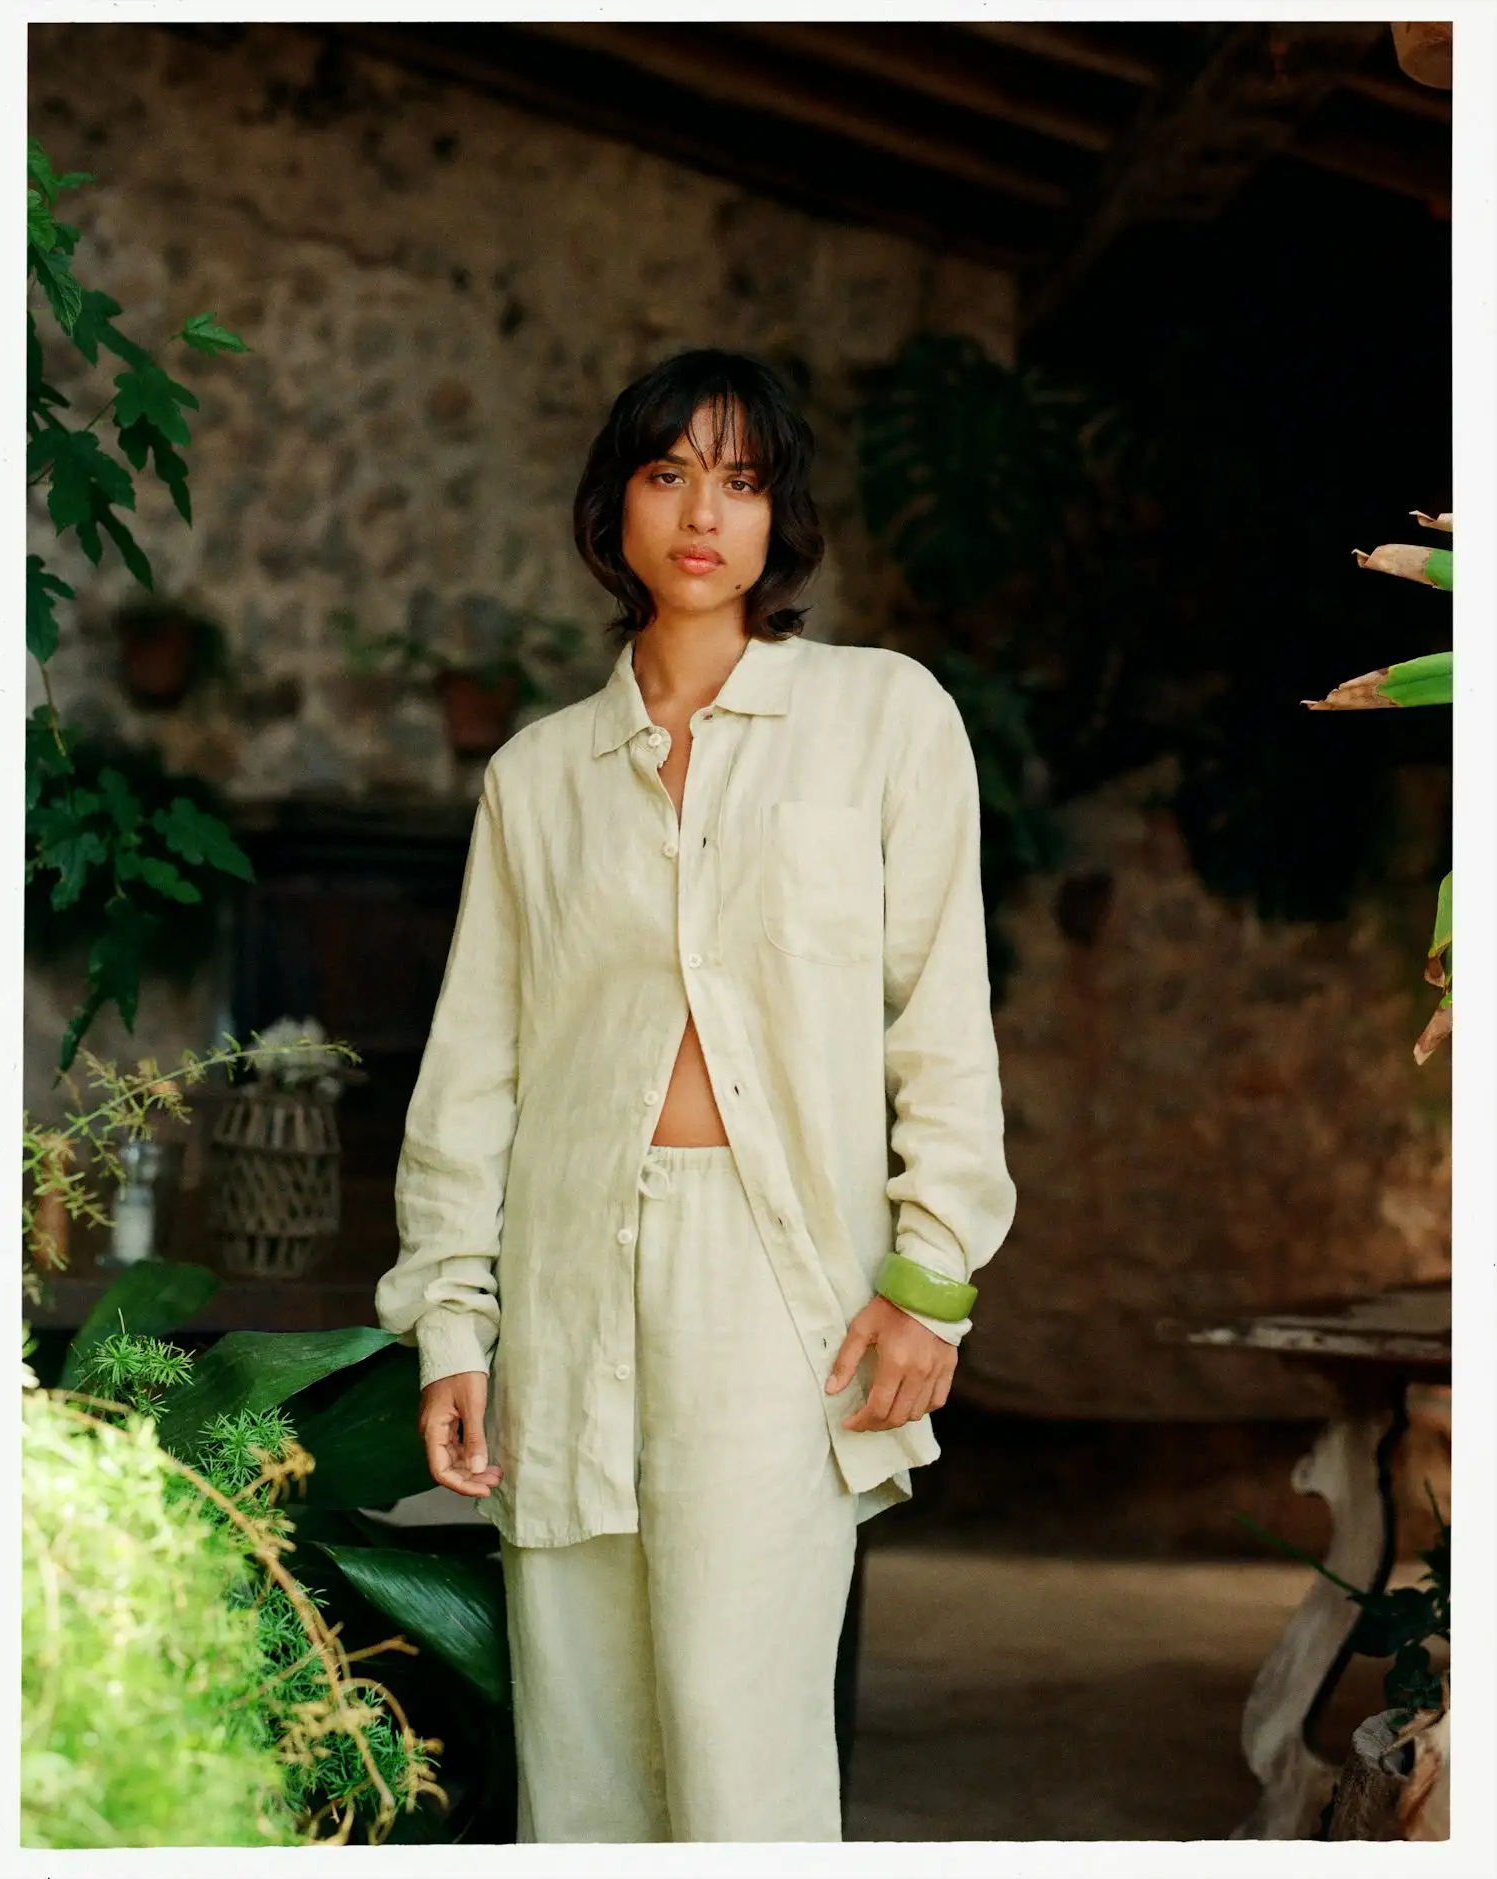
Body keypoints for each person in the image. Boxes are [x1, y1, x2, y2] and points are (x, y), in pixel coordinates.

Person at [374, 348, 1017, 1843]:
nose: (703, 511)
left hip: (777, 1287)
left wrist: (932, 1277)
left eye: (740, 476)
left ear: (780, 512)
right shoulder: (538, 779)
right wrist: (454, 1323)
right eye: (669, 473)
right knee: (584, 1758)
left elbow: (944, 1020)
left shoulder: (883, 718)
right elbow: (473, 1077)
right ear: (618, 511)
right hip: (567, 1283)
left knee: (744, 1750)